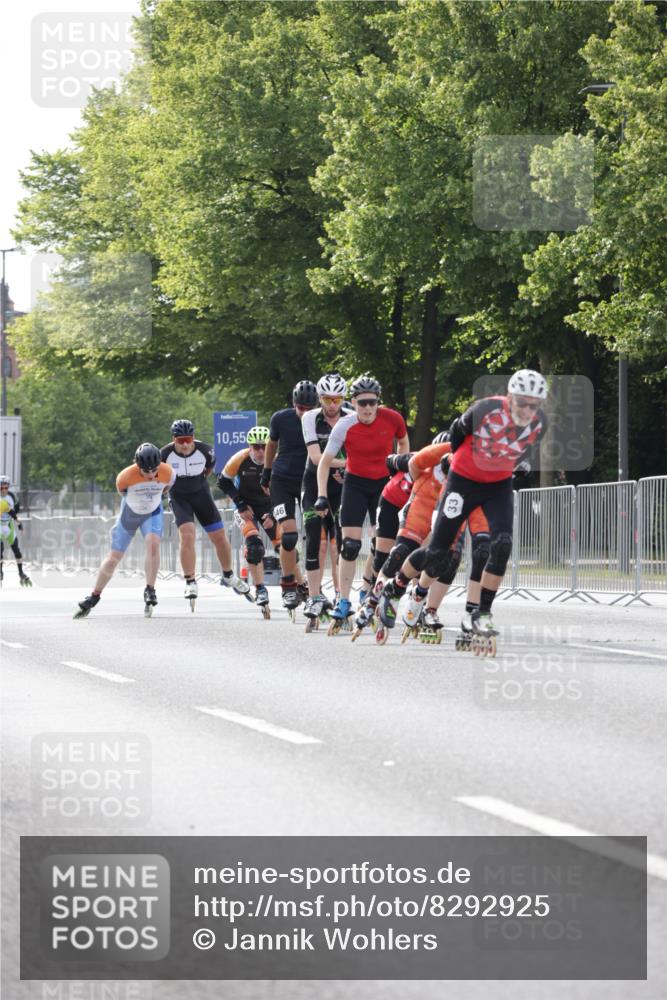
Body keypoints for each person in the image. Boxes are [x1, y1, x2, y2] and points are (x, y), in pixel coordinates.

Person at [383, 370, 548, 639]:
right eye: (522, 403)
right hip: (463, 481)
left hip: (497, 486)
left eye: (534, 405)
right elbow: (456, 436)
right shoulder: (485, 410)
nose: (527, 411)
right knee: (438, 552)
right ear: (509, 397)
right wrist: (464, 463)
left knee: (502, 544)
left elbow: (523, 451)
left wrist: (516, 466)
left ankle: (481, 614)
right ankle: (396, 586)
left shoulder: (540, 424)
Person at [315, 375, 409, 627]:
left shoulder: (393, 418)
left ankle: (368, 589)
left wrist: (400, 472)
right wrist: (322, 495)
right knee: (350, 546)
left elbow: (403, 442)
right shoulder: (344, 425)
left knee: (382, 546)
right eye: (362, 403)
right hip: (355, 485)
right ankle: (343, 600)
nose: (367, 408)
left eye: (372, 402)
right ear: (353, 403)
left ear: (378, 402)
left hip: (383, 486)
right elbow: (324, 462)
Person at [74, 444, 174, 617]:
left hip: (152, 512)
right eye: (146, 471)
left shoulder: (169, 472)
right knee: (114, 556)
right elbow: (123, 494)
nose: (151, 474)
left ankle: (150, 589)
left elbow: (166, 488)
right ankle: (94, 595)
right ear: (137, 465)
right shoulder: (125, 476)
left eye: (154, 470)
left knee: (153, 544)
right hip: (130, 513)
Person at [161, 418, 251, 604]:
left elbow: (208, 470)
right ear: (173, 439)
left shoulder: (206, 451)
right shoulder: (164, 454)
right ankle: (190, 581)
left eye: (188, 440)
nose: (185, 445)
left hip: (200, 493)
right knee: (187, 535)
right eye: (180, 441)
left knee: (220, 536)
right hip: (179, 496)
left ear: (193, 437)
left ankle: (228, 575)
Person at [261, 381, 317, 610]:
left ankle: (313, 586)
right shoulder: (280, 418)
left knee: (315, 535)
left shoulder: (321, 421)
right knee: (289, 536)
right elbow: (271, 444)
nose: (304, 413)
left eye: (309, 409)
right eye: (300, 408)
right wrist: (266, 472)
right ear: (294, 403)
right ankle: (288, 586)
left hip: (307, 481)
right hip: (282, 481)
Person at [300, 373, 350, 621]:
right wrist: (347, 464)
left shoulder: (351, 417)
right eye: (327, 399)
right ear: (319, 398)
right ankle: (314, 596)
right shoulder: (310, 418)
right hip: (314, 483)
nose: (332, 404)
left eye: (337, 399)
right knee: (314, 537)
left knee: (342, 542)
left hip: (341, 485)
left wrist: (346, 469)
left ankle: (342, 594)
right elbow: (317, 458)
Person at [217, 425, 280, 609]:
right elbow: (223, 481)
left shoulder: (277, 460)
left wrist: (274, 512)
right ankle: (260, 589)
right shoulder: (240, 458)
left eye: (264, 447)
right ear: (250, 447)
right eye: (256, 447)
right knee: (255, 548)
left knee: (286, 548)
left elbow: (284, 489)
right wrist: (240, 504)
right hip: (245, 507)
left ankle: (297, 586)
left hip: (268, 506)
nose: (260, 451)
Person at [0, 475, 31, 586]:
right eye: (1, 488)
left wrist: (19, 524)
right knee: (0, 549)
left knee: (16, 550)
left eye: (6, 488)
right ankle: (0, 571)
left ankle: (21, 573)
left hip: (8, 525)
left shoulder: (12, 497)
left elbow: (13, 512)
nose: (4, 490)